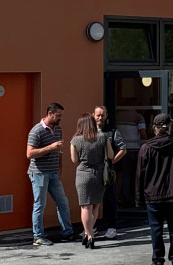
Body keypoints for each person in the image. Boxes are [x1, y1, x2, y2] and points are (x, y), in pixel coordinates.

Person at [136, 113, 173, 265]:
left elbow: (140, 174)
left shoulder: (146, 147)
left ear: (154, 128)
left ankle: (158, 260)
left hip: (152, 194)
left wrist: (138, 196)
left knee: (156, 228)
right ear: (168, 127)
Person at [27, 102, 75, 246]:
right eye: (58, 115)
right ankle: (38, 236)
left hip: (53, 173)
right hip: (39, 173)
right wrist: (50, 147)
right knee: (40, 204)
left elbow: (59, 150)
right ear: (50, 114)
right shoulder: (36, 131)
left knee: (63, 202)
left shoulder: (58, 129)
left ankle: (68, 232)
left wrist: (59, 168)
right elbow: (30, 153)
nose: (60, 118)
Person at [70, 114, 113, 249]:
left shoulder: (75, 141)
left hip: (83, 174)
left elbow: (74, 160)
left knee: (85, 206)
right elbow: (111, 155)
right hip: (100, 174)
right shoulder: (103, 137)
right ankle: (90, 233)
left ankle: (89, 235)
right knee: (95, 205)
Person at [92, 105, 127, 240]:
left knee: (109, 198)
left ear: (106, 116)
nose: (100, 118)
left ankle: (112, 227)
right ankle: (91, 228)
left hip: (107, 171)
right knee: (91, 200)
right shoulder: (89, 131)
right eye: (98, 115)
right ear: (93, 116)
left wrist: (112, 162)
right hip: (92, 171)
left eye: (103, 115)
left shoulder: (112, 132)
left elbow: (123, 149)